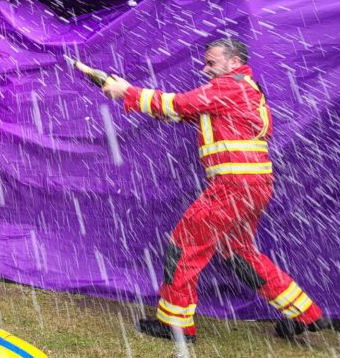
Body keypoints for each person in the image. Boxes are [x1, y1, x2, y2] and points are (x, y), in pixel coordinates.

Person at [101, 38, 327, 342]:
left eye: (211, 63)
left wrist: (127, 92)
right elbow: (177, 112)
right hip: (255, 187)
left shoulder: (228, 87)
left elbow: (178, 103)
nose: (205, 69)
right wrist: (126, 93)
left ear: (234, 62)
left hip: (232, 186)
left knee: (184, 245)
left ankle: (176, 325)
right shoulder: (243, 90)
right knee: (239, 254)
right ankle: (304, 312)